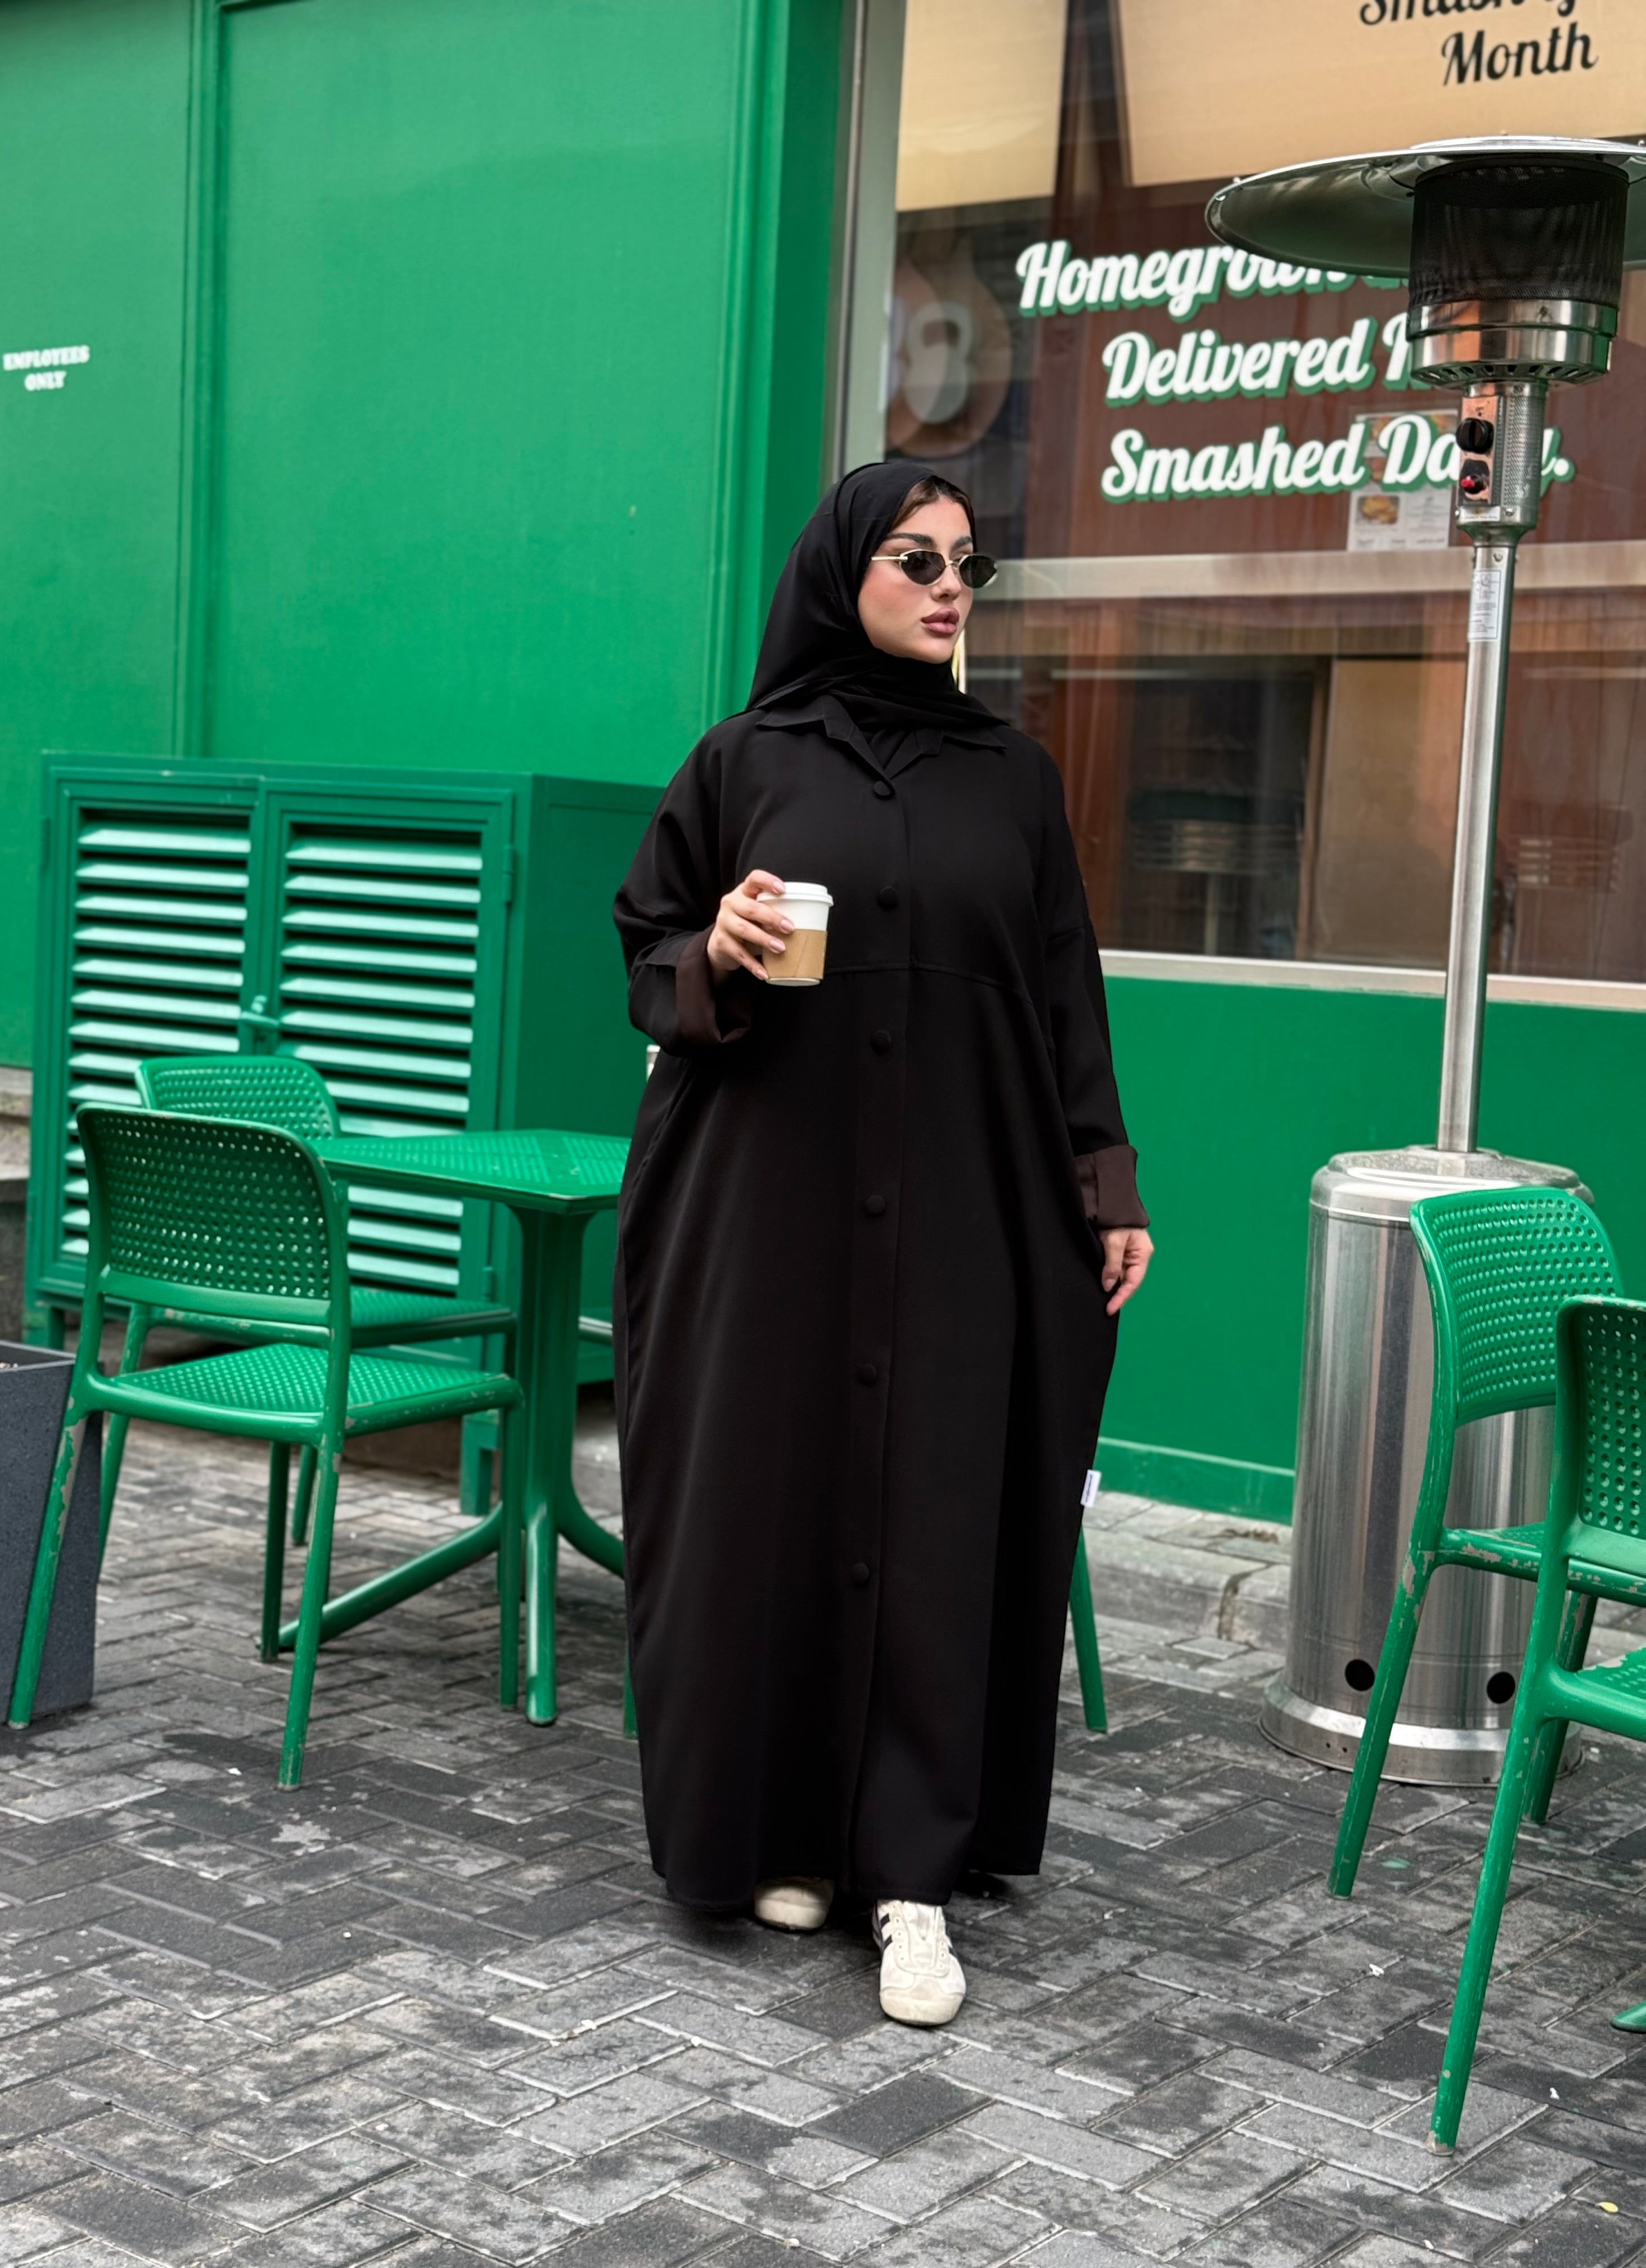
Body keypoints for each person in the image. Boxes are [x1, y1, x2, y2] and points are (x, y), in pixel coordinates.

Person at [612, 461, 1152, 2027]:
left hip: (964, 1205)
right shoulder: (744, 760)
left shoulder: (1013, 779)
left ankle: (911, 1877)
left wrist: (1107, 1180)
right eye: (917, 559)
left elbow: (1065, 987)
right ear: (843, 569)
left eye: (971, 565)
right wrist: (714, 947)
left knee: (939, 1509)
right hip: (767, 1203)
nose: (950, 587)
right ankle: (782, 1834)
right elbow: (646, 943)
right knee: (765, 1501)